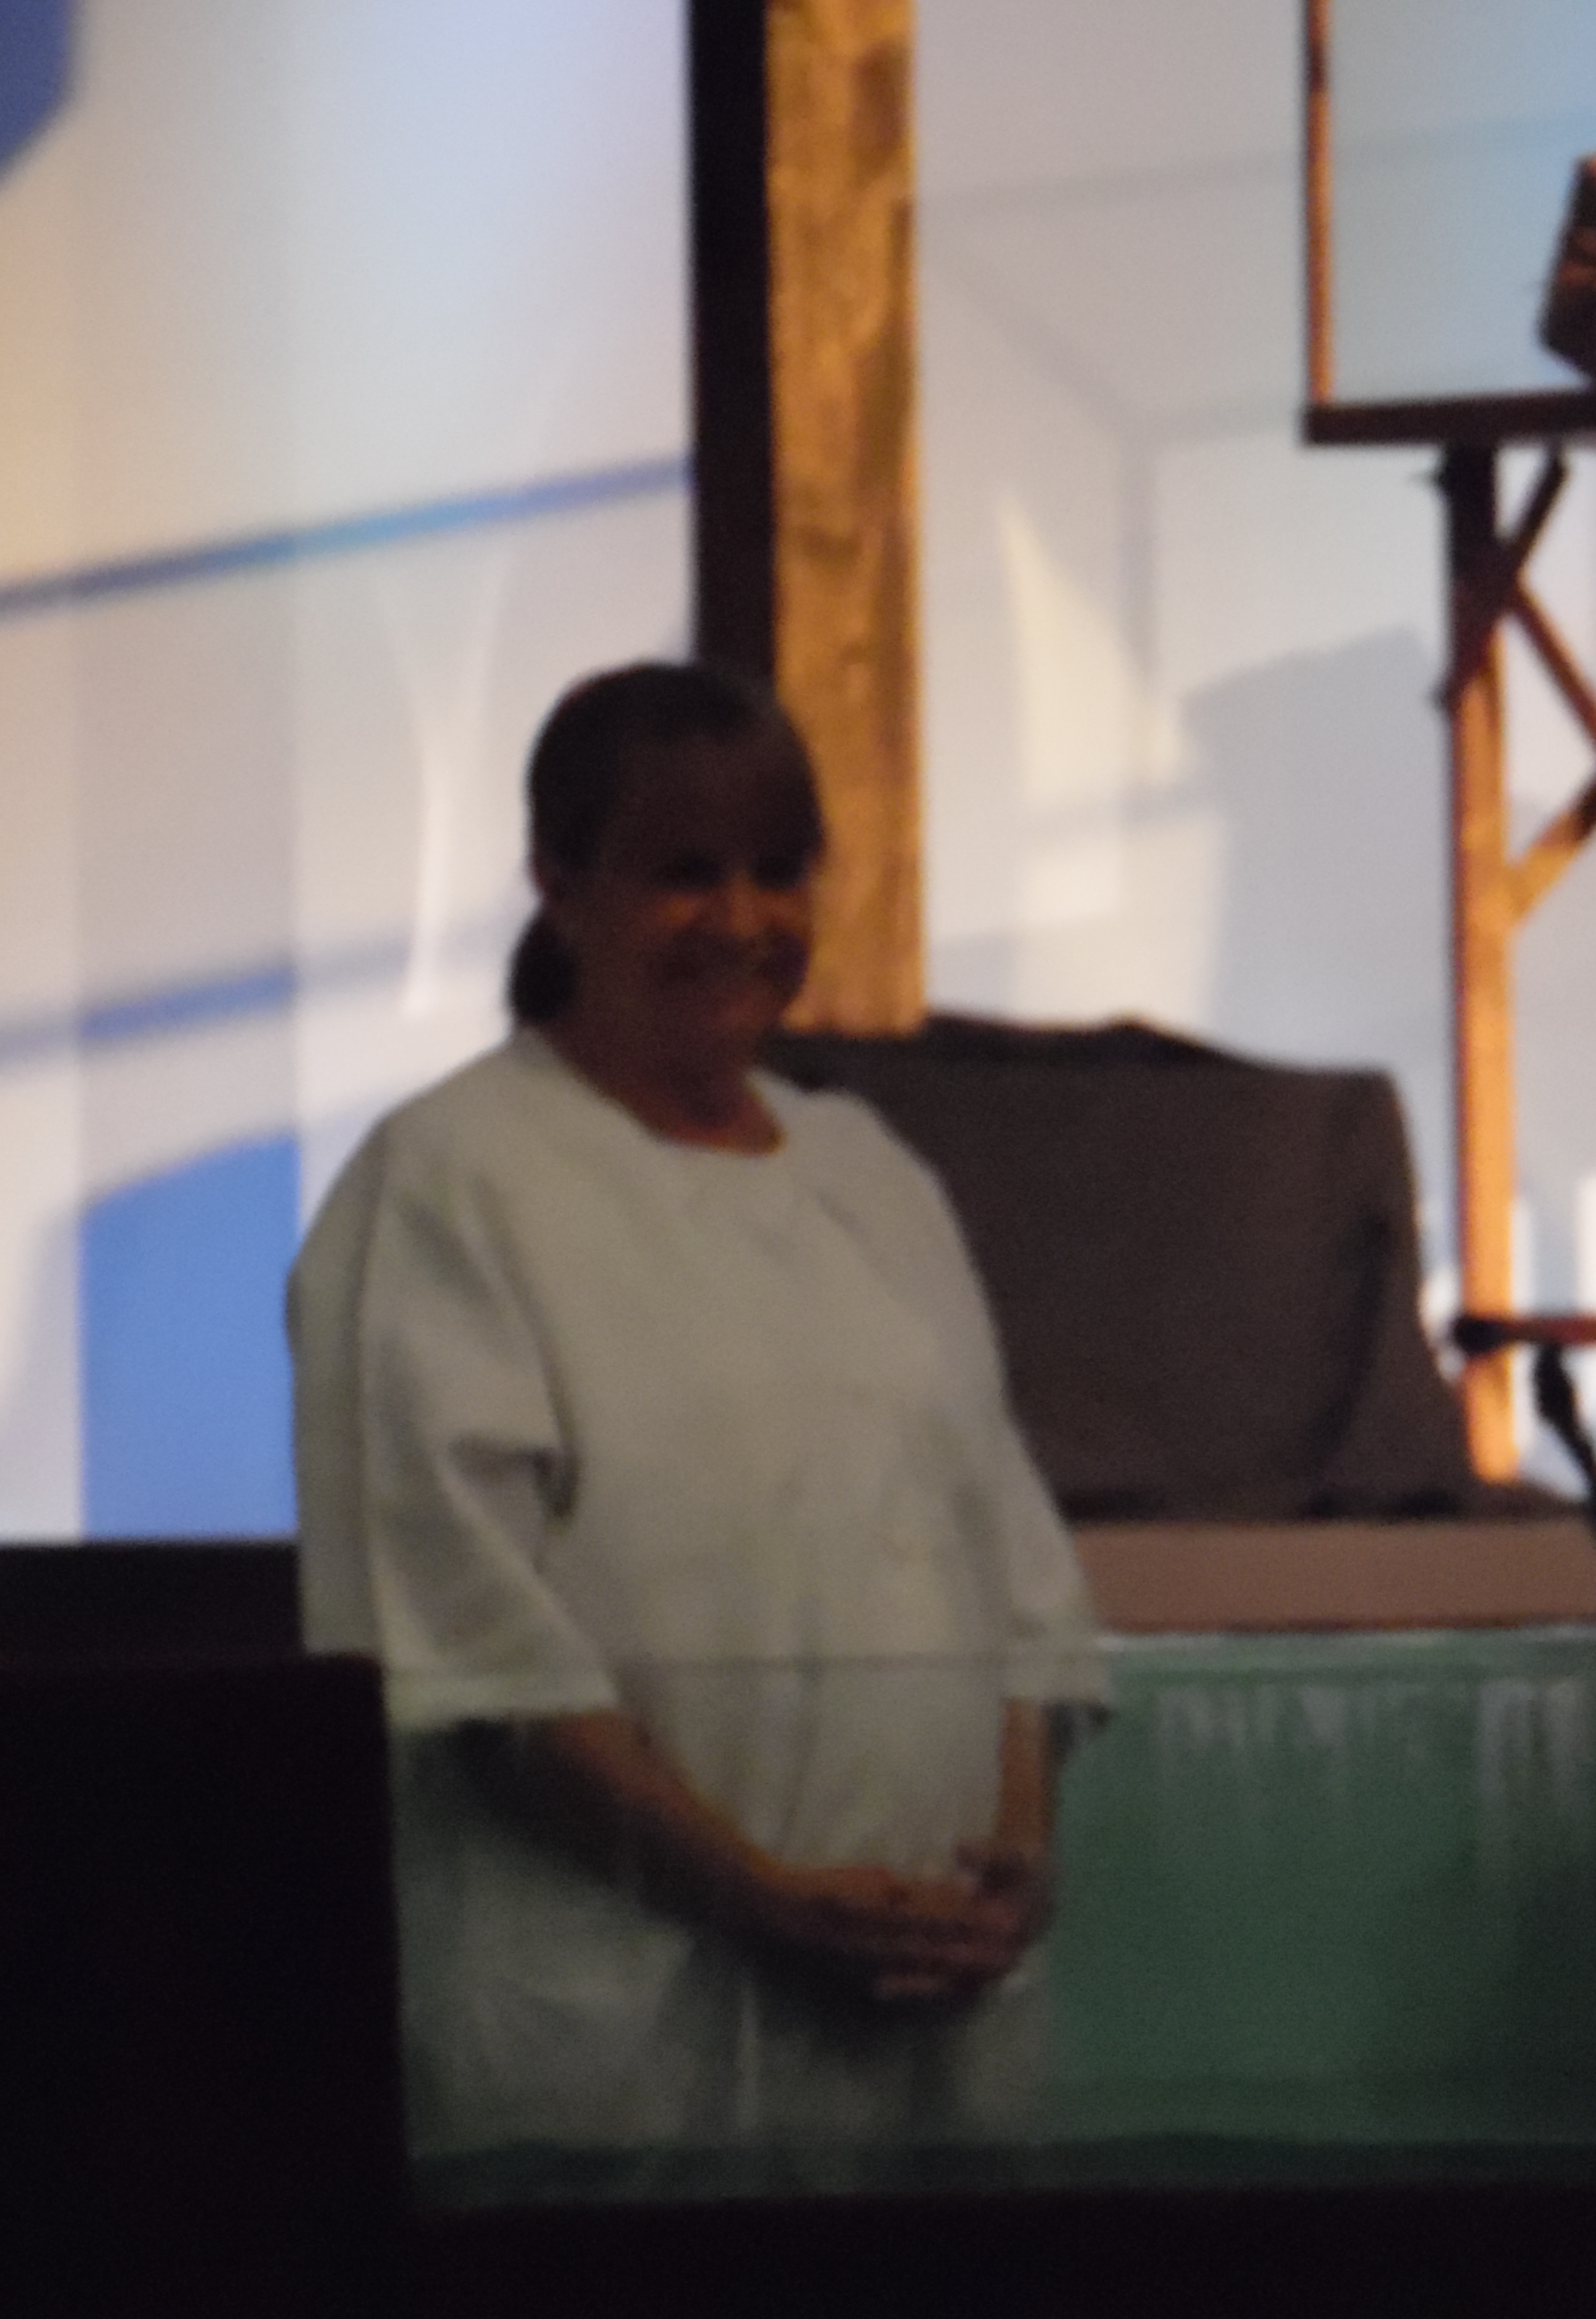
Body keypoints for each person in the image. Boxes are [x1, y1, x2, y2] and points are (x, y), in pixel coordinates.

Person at [292, 662, 1105, 2152]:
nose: (741, 919)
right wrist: (761, 1899)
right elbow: (466, 1651)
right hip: (618, 2056)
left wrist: (1003, 1880)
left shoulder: (870, 1175)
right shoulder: (453, 1181)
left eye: (777, 870)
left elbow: (1019, 1591)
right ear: (560, 885)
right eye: (683, 873)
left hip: (927, 2047)